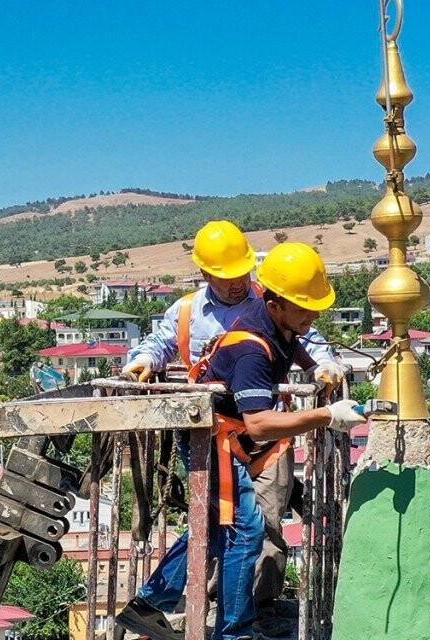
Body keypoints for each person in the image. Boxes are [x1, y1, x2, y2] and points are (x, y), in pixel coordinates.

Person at [117, 242, 365, 640]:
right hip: (217, 439)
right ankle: (232, 632)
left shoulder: (274, 319)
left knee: (217, 526)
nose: (312, 314)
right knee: (245, 530)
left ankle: (150, 604)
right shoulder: (251, 346)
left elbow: (296, 345)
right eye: (304, 307)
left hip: (227, 437)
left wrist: (318, 365)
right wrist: (327, 415)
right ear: (276, 302)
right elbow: (261, 423)